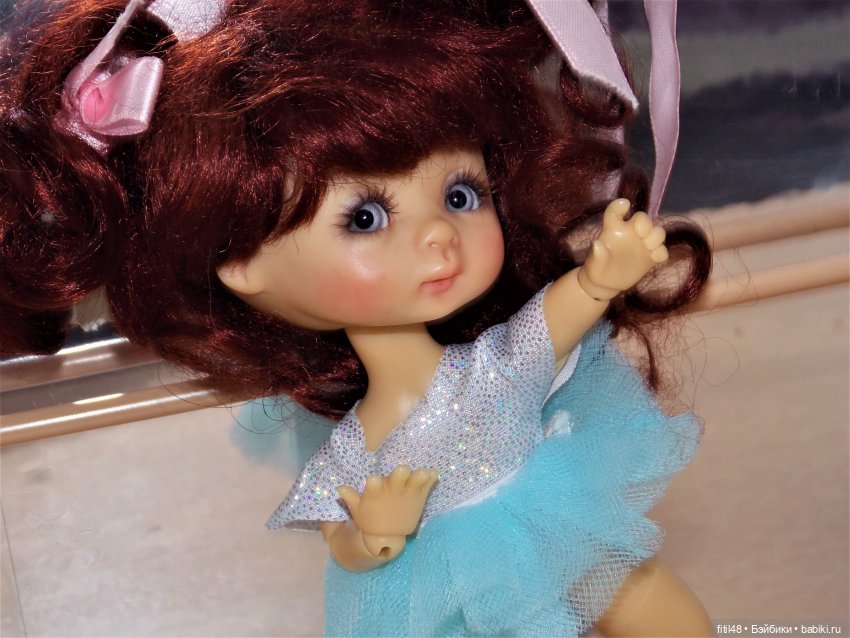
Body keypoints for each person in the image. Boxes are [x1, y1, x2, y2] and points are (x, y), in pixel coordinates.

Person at [1, 0, 712, 635]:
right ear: (243, 265)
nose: (438, 237)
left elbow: (555, 320)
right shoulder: (359, 444)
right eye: (365, 217)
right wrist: (373, 537)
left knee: (637, 591)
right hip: (457, 573)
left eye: (461, 194)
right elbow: (339, 528)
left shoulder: (492, 366)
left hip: (557, 505)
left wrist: (599, 278)